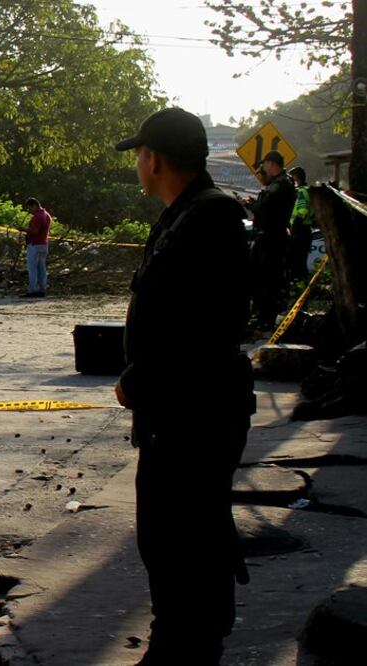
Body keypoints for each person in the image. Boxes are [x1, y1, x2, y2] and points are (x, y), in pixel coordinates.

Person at [114, 107, 256, 665]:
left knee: (185, 539)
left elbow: (200, 326)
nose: (138, 166)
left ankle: (189, 646)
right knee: (169, 535)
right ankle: (178, 639)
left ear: (153, 159)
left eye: (139, 157)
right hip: (175, 410)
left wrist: (141, 378)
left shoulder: (209, 218)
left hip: (195, 412)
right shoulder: (184, 215)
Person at [246, 150, 296, 330]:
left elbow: (265, 209)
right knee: (261, 277)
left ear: (272, 163)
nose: (263, 168)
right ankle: (262, 316)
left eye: (265, 164)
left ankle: (266, 319)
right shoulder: (281, 183)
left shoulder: (280, 184)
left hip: (271, 238)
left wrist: (250, 205)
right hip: (271, 236)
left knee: (267, 279)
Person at [286, 165, 313, 281]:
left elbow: (302, 212)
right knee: (298, 262)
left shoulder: (302, 192)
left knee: (298, 263)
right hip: (301, 230)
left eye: (290, 177)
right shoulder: (303, 190)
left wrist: (294, 228)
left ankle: (301, 287)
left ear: (296, 177)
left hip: (300, 231)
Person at [20, 197, 51, 297]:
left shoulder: (37, 216)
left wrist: (23, 229)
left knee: (32, 268)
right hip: (44, 244)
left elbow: (35, 231)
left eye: (29, 208)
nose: (29, 211)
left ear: (35, 206)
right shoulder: (47, 215)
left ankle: (32, 290)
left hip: (35, 244)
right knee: (42, 268)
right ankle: (42, 289)